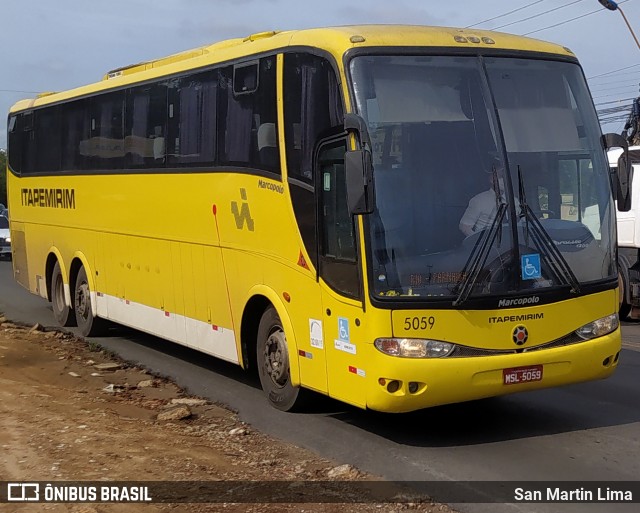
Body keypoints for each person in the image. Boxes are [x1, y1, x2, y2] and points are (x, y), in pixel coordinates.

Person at [459, 162, 516, 237]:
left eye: (507, 176)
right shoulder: (478, 201)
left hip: (512, 244)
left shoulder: (514, 200)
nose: (505, 179)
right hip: (488, 246)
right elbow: (464, 226)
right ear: (492, 179)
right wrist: (479, 243)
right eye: (501, 176)